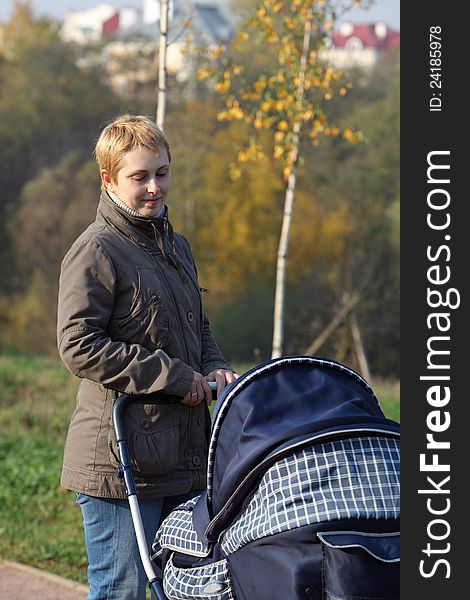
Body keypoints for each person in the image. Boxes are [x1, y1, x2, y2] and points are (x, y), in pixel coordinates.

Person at [57, 114, 237, 600]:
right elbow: (78, 344)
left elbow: (197, 327)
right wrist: (177, 378)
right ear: (109, 179)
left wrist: (213, 365)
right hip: (119, 462)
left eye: (162, 172)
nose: (154, 187)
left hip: (184, 455)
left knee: (180, 590)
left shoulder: (177, 247)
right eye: (139, 177)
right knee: (125, 592)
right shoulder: (96, 249)